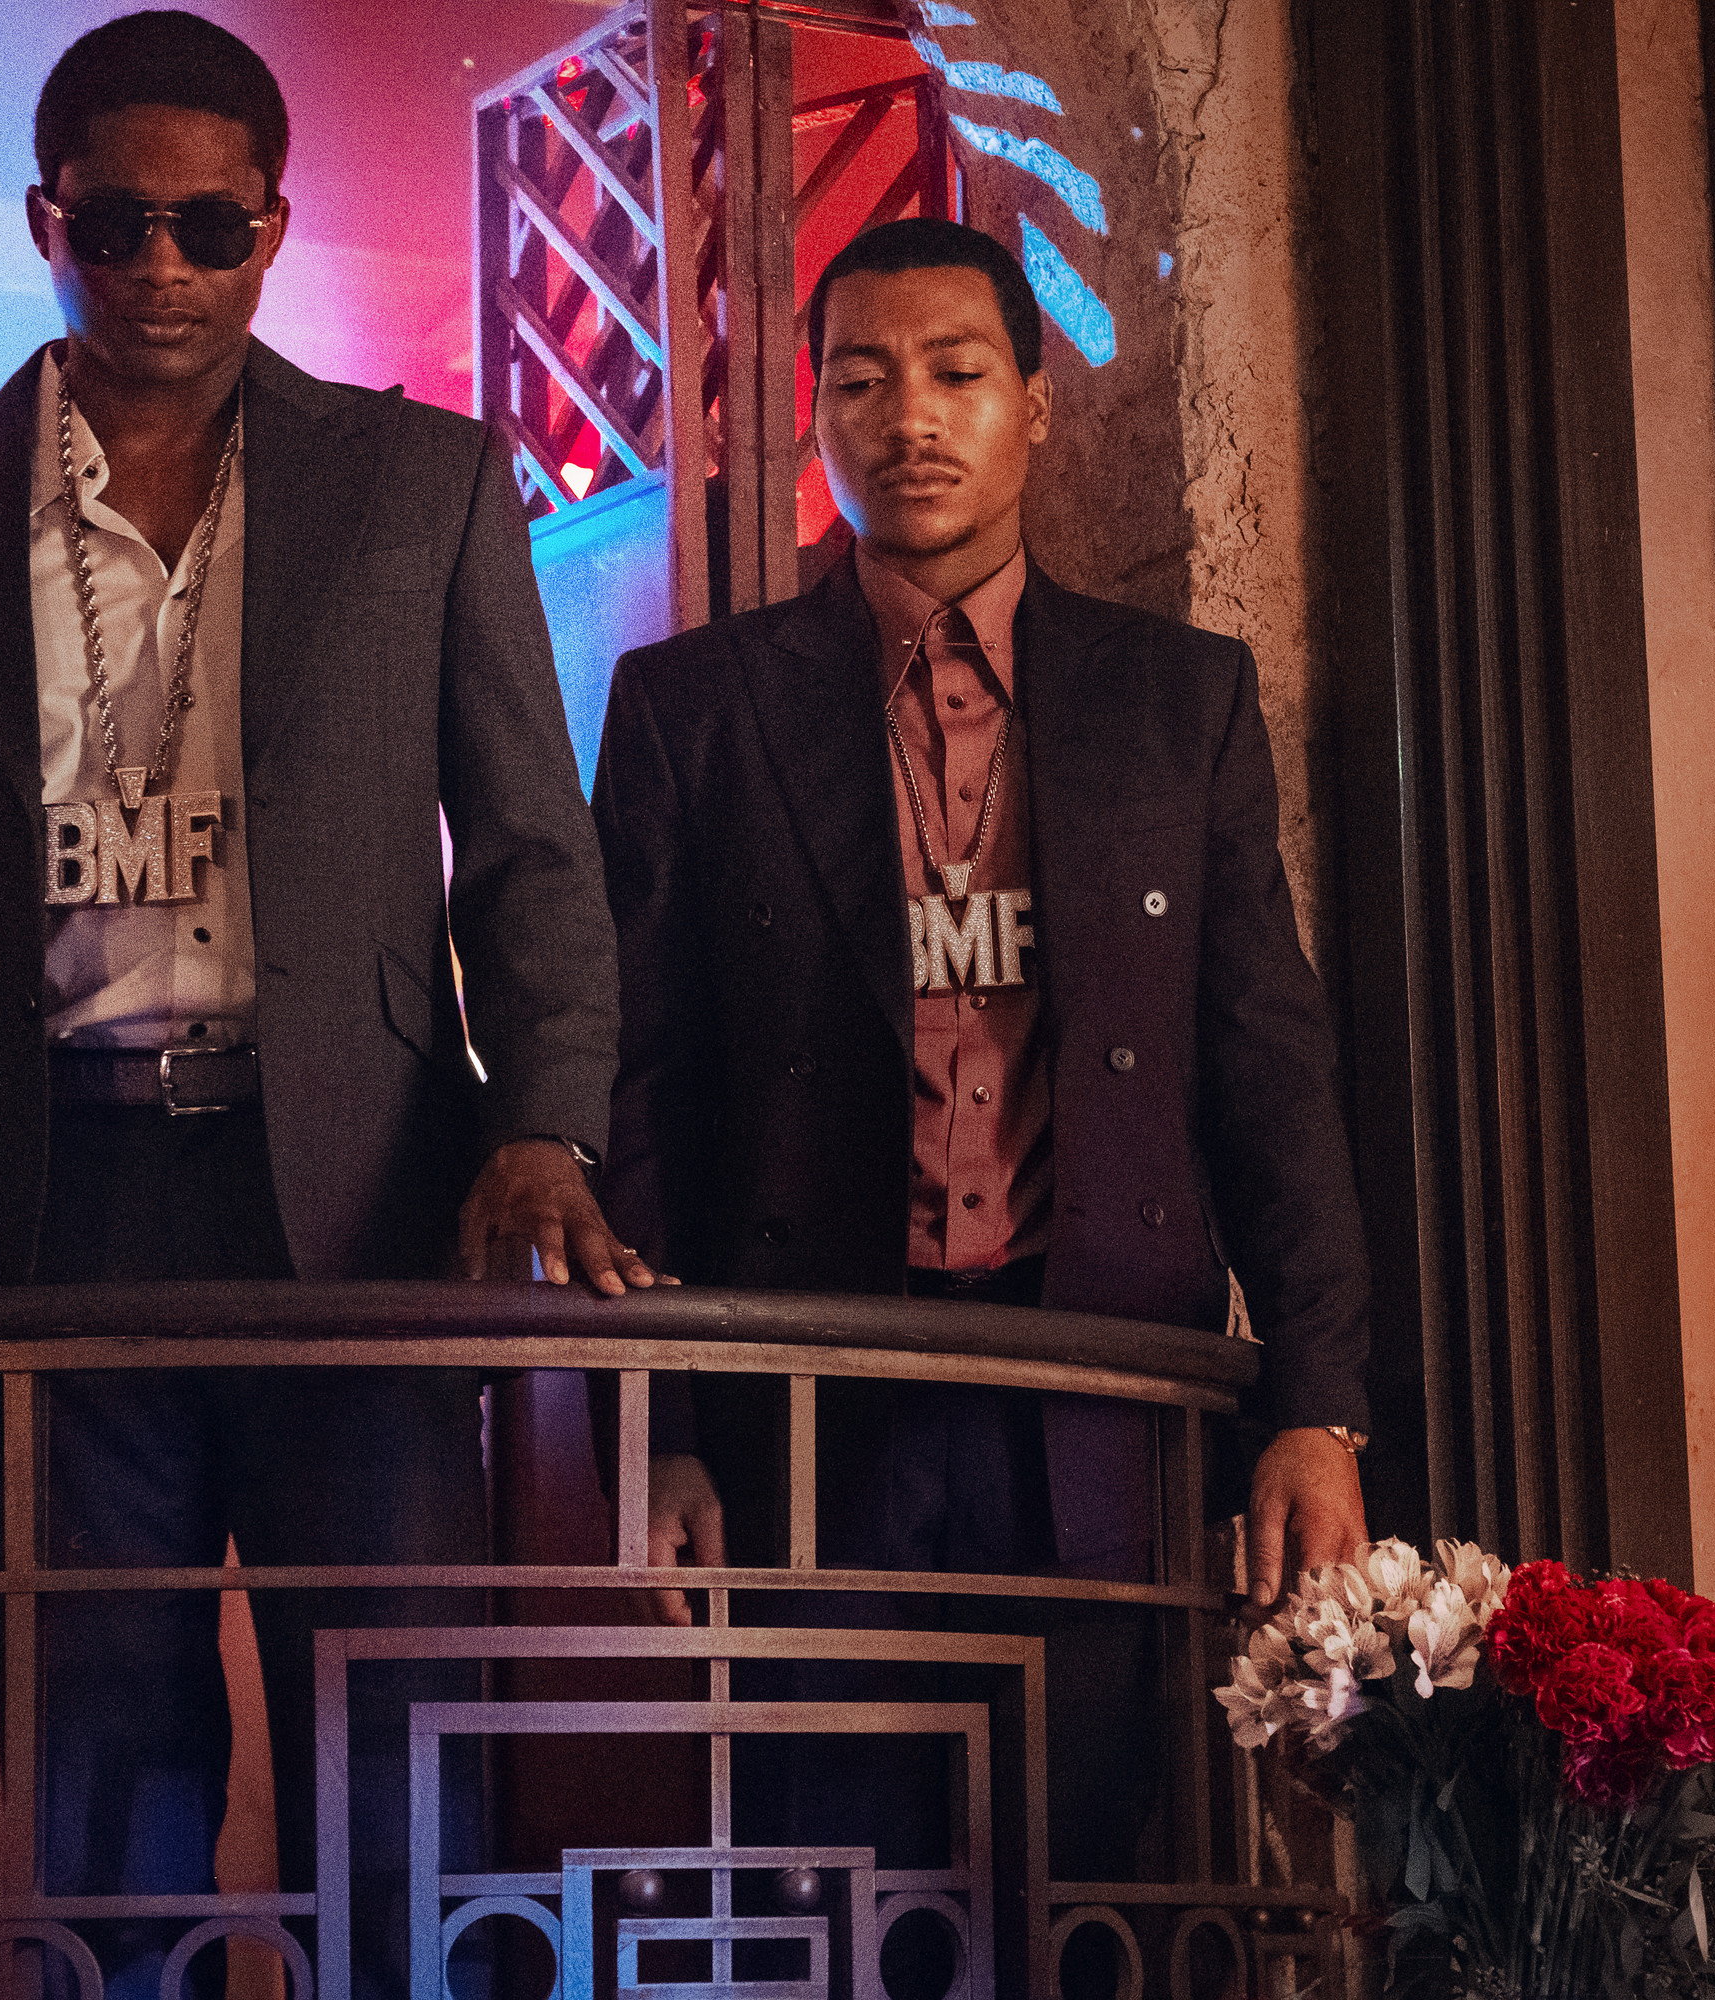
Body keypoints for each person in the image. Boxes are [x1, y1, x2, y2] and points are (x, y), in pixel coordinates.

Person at [0, 15, 647, 1995]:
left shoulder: (422, 485)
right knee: (99, 1791)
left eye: (208, 226)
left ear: (272, 227)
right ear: (44, 222)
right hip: (49, 1209)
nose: (160, 265)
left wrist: (544, 1124)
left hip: (355, 1205)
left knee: (397, 1763)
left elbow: (530, 844)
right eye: (115, 224)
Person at [590, 217, 1374, 1914]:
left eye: (956, 373)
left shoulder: (1177, 701)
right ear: (813, 416)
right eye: (860, 382)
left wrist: (1316, 1404)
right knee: (824, 1886)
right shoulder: (691, 710)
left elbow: (1267, 1066)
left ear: (1036, 402)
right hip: (813, 1399)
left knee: (1092, 1887)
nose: (910, 420)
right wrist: (654, 1427)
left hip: (1100, 1392)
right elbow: (637, 1095)